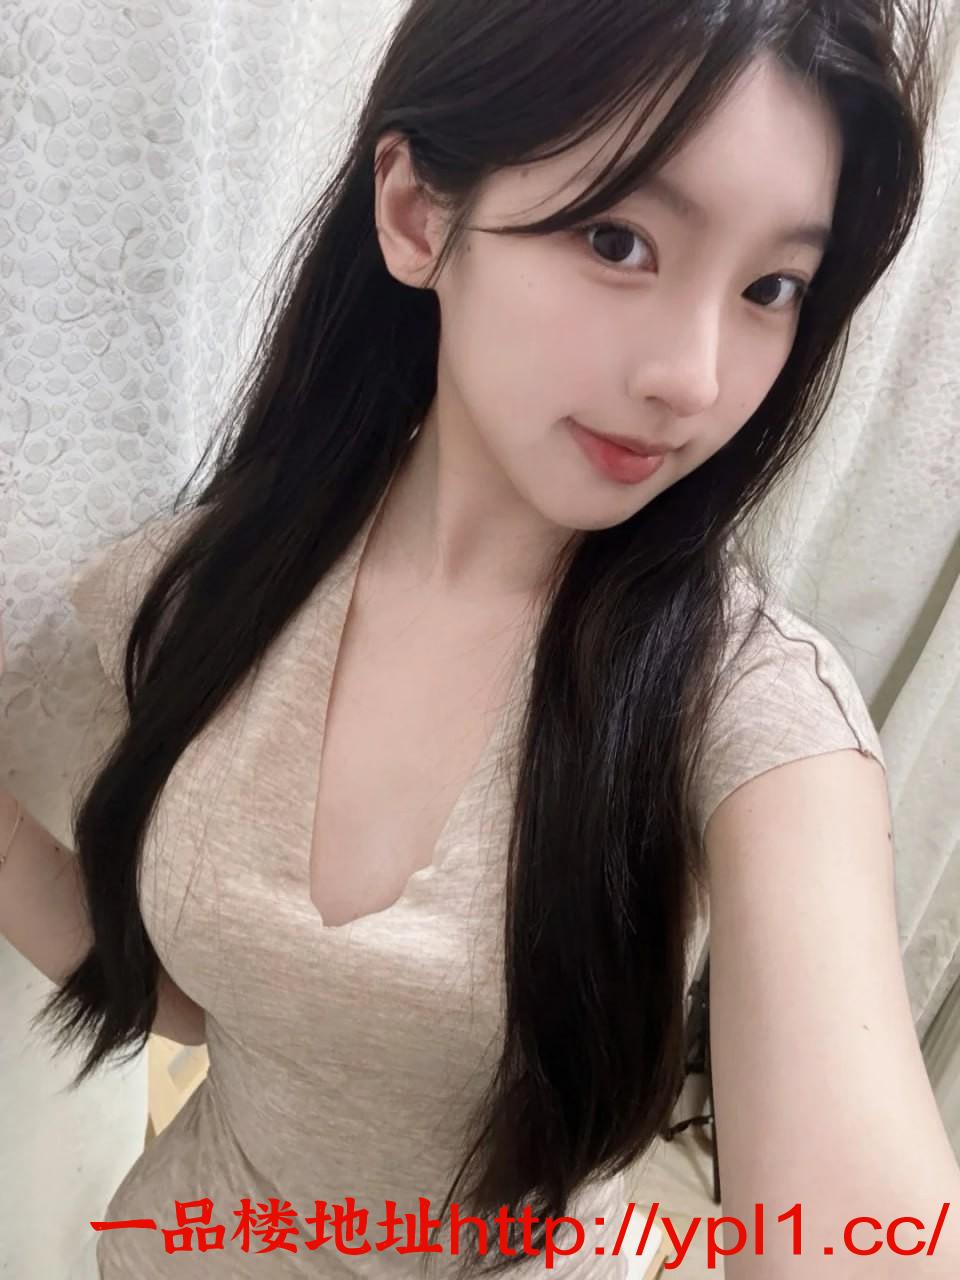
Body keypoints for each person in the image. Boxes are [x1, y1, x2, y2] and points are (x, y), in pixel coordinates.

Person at [2, 1, 959, 1276]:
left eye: (769, 288)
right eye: (619, 239)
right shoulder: (205, 587)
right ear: (417, 214)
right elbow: (191, 999)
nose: (693, 375)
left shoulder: (753, 711)